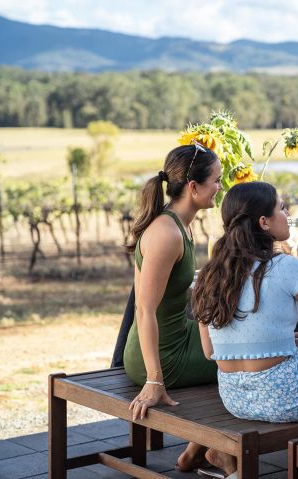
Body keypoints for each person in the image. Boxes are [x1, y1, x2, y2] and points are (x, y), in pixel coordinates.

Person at [192, 182, 298, 476]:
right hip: (287, 397)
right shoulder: (284, 266)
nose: (287, 213)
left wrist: (280, 342)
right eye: (281, 208)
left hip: (235, 398)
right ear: (263, 223)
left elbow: (210, 350)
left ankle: (219, 457)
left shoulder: (210, 274)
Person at [122, 143, 222, 471]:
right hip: (162, 356)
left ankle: (202, 448)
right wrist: (154, 380)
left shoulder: (181, 224)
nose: (220, 187)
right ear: (193, 187)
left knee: (236, 341)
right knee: (243, 361)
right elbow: (144, 310)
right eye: (216, 181)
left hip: (179, 334)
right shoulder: (167, 233)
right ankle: (217, 448)